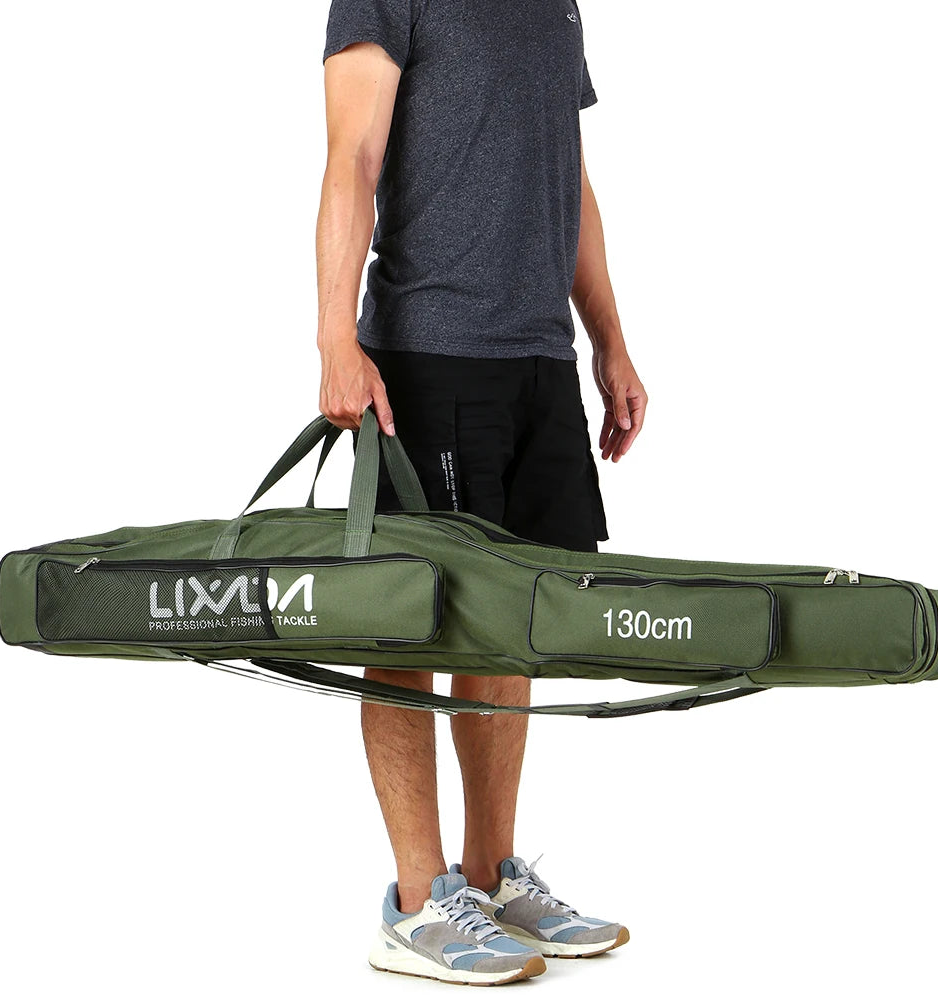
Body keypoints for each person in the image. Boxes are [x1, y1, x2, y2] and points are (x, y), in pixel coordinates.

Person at [316, 0, 646, 986]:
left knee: (516, 625)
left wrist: (609, 340)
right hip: (431, 354)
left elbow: (567, 177)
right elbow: (353, 155)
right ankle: (419, 904)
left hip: (539, 359)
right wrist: (335, 337)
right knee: (409, 627)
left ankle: (490, 876)